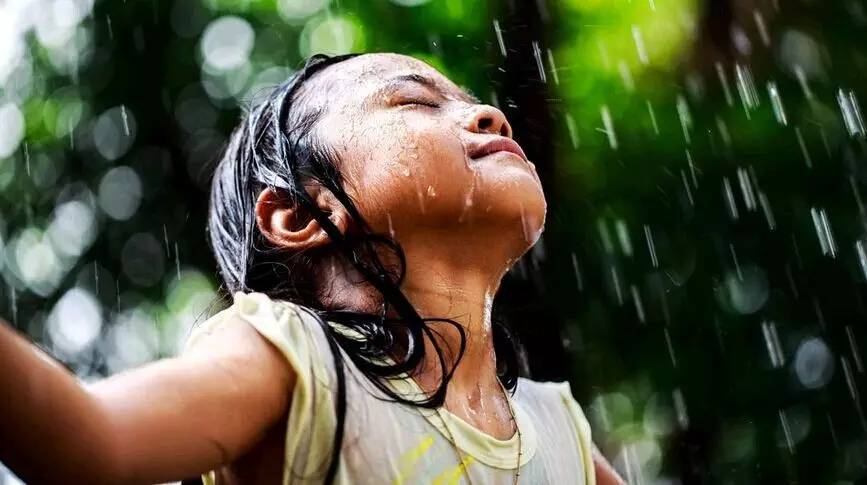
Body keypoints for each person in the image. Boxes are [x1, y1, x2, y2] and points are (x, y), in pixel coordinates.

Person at [0, 52, 625, 484]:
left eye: (471, 102)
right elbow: (91, 444)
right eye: (413, 101)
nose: (491, 115)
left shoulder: (559, 431)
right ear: (301, 214)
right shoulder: (300, 365)